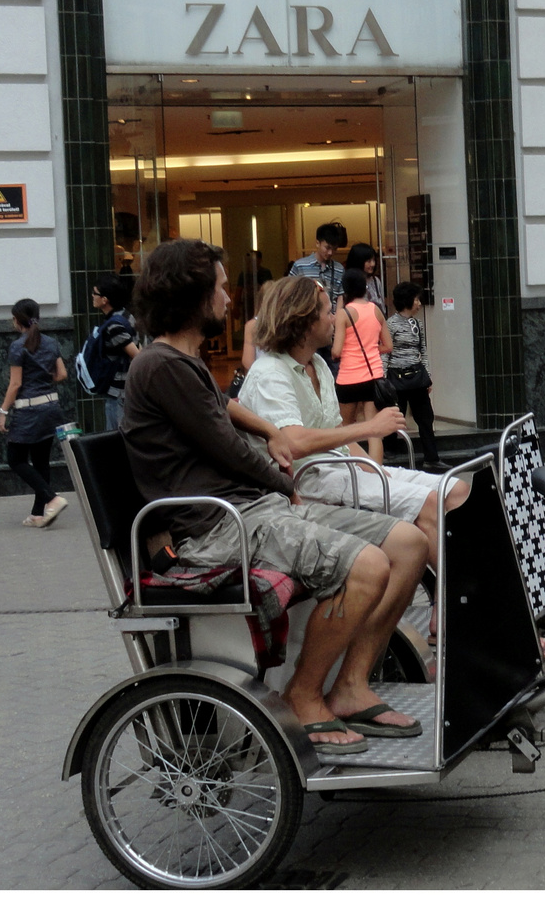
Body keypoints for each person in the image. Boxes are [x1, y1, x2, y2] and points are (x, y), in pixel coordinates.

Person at [123, 239, 426, 753]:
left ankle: (351, 686)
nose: (228, 298)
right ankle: (304, 694)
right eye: (220, 288)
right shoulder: (162, 366)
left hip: (254, 512)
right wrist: (284, 480)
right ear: (193, 296)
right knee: (370, 566)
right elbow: (226, 449)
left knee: (409, 545)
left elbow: (224, 408)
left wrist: (269, 430)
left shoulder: (180, 362)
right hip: (222, 527)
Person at [242, 275, 467, 577]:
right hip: (308, 483)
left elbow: (335, 431)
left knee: (458, 490)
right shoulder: (270, 372)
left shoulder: (318, 365)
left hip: (339, 469)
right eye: (326, 311)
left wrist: (372, 468)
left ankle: (462, 592)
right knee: (429, 503)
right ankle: (452, 605)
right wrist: (369, 428)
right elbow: (292, 443)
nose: (334, 317)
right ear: (304, 321)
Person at [0, 299, 70, 527]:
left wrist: (3, 411)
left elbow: (15, 384)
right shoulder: (50, 342)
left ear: (18, 320)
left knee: (15, 459)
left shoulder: (18, 346)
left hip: (29, 410)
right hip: (51, 408)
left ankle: (52, 498)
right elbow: (62, 374)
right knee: (41, 461)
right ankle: (39, 514)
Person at [332, 270, 393, 465]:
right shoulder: (376, 310)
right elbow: (388, 346)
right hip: (374, 376)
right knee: (374, 431)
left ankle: (351, 469)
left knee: (345, 429)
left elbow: (336, 351)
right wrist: (372, 350)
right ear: (365, 288)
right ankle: (376, 472)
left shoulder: (344, 314)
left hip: (348, 378)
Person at [387, 281, 445, 472]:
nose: (419, 303)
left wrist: (427, 375)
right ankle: (389, 453)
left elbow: (423, 351)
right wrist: (383, 378)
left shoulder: (417, 324)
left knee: (426, 417)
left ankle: (431, 457)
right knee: (396, 416)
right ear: (407, 300)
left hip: (417, 376)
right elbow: (385, 353)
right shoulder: (390, 324)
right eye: (417, 299)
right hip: (397, 377)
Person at [89, 276, 141, 430]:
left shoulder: (114, 326)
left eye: (95, 293)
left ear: (105, 300)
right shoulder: (125, 315)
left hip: (118, 391)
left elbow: (137, 355)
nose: (92, 296)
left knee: (115, 437)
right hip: (124, 388)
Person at [288, 223, 347, 313]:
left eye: (334, 249)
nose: (330, 252)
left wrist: (337, 318)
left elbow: (340, 296)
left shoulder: (339, 269)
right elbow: (289, 292)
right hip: (307, 319)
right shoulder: (300, 265)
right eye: (327, 248)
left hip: (331, 320)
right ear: (317, 243)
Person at [344, 243, 384, 312]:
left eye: (374, 260)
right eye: (369, 261)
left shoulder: (375, 281)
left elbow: (382, 307)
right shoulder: (350, 282)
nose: (372, 264)